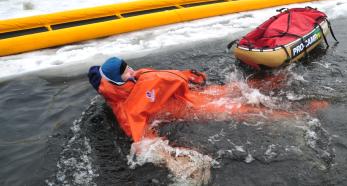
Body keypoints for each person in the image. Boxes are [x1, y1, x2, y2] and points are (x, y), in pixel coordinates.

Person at [88, 57, 327, 143]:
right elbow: (141, 138)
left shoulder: (136, 77)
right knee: (241, 110)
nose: (132, 71)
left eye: (128, 67)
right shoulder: (126, 108)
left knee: (237, 87)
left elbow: (162, 78)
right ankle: (298, 116)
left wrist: (192, 77)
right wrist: (171, 159)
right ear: (116, 82)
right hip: (190, 108)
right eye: (125, 72)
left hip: (191, 94)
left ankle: (280, 80)